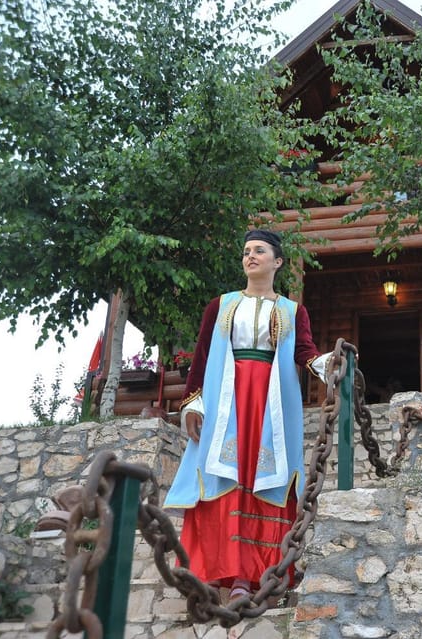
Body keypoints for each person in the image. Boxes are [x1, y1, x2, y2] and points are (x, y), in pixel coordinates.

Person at [164, 229, 330, 602]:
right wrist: (192, 402)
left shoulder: (292, 311)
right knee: (221, 476)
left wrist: (326, 363)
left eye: (259, 250)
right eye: (246, 251)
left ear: (277, 262)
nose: (250, 256)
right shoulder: (220, 305)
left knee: (263, 477)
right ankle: (210, 571)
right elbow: (202, 355)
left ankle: (249, 576)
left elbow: (304, 351)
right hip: (227, 399)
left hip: (270, 404)